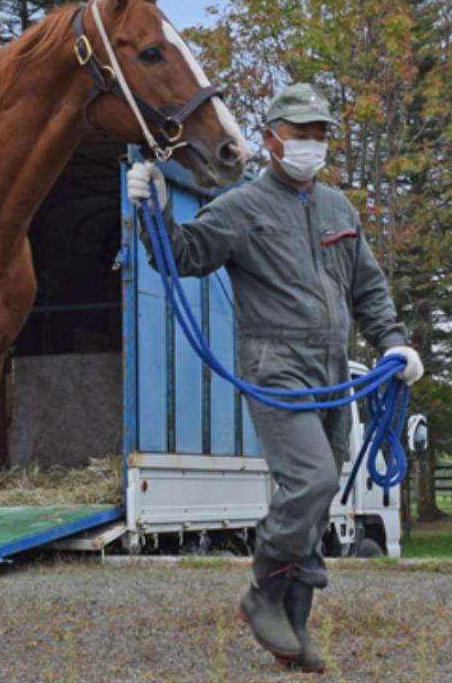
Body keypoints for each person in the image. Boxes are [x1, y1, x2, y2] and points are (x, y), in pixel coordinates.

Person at [127, 82, 424, 672]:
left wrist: (394, 343)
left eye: (319, 136)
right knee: (312, 480)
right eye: (300, 135)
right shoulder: (242, 207)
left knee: (319, 501)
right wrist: (154, 211)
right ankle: (263, 590)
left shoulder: (340, 208)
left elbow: (367, 288)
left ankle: (294, 626)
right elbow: (182, 255)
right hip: (276, 365)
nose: (311, 145)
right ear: (270, 139)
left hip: (334, 372)